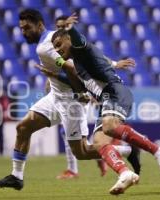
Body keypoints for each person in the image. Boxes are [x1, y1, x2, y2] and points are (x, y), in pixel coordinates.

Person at [0, 9, 140, 191]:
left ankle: (128, 150)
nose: (24, 32)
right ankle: (16, 176)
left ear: (39, 25)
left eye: (27, 28)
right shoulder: (55, 37)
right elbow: (88, 55)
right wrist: (114, 64)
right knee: (23, 127)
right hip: (54, 97)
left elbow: (71, 67)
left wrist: (80, 93)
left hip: (71, 102)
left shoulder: (46, 46)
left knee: (82, 152)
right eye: (21, 29)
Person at [50, 14, 160, 195]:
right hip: (106, 97)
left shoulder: (80, 49)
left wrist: (71, 29)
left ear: (68, 39)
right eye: (55, 48)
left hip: (115, 91)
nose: (58, 50)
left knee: (108, 127)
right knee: (99, 143)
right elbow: (84, 81)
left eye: (59, 44)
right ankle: (125, 173)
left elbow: (80, 41)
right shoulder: (78, 63)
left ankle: (158, 150)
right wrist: (56, 76)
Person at [52, 15, 137, 179]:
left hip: (87, 93)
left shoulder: (71, 46)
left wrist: (113, 64)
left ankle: (116, 160)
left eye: (61, 26)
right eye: (57, 26)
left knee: (90, 140)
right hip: (74, 93)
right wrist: (52, 79)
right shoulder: (55, 47)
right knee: (81, 141)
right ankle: (123, 154)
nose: (59, 28)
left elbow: (93, 55)